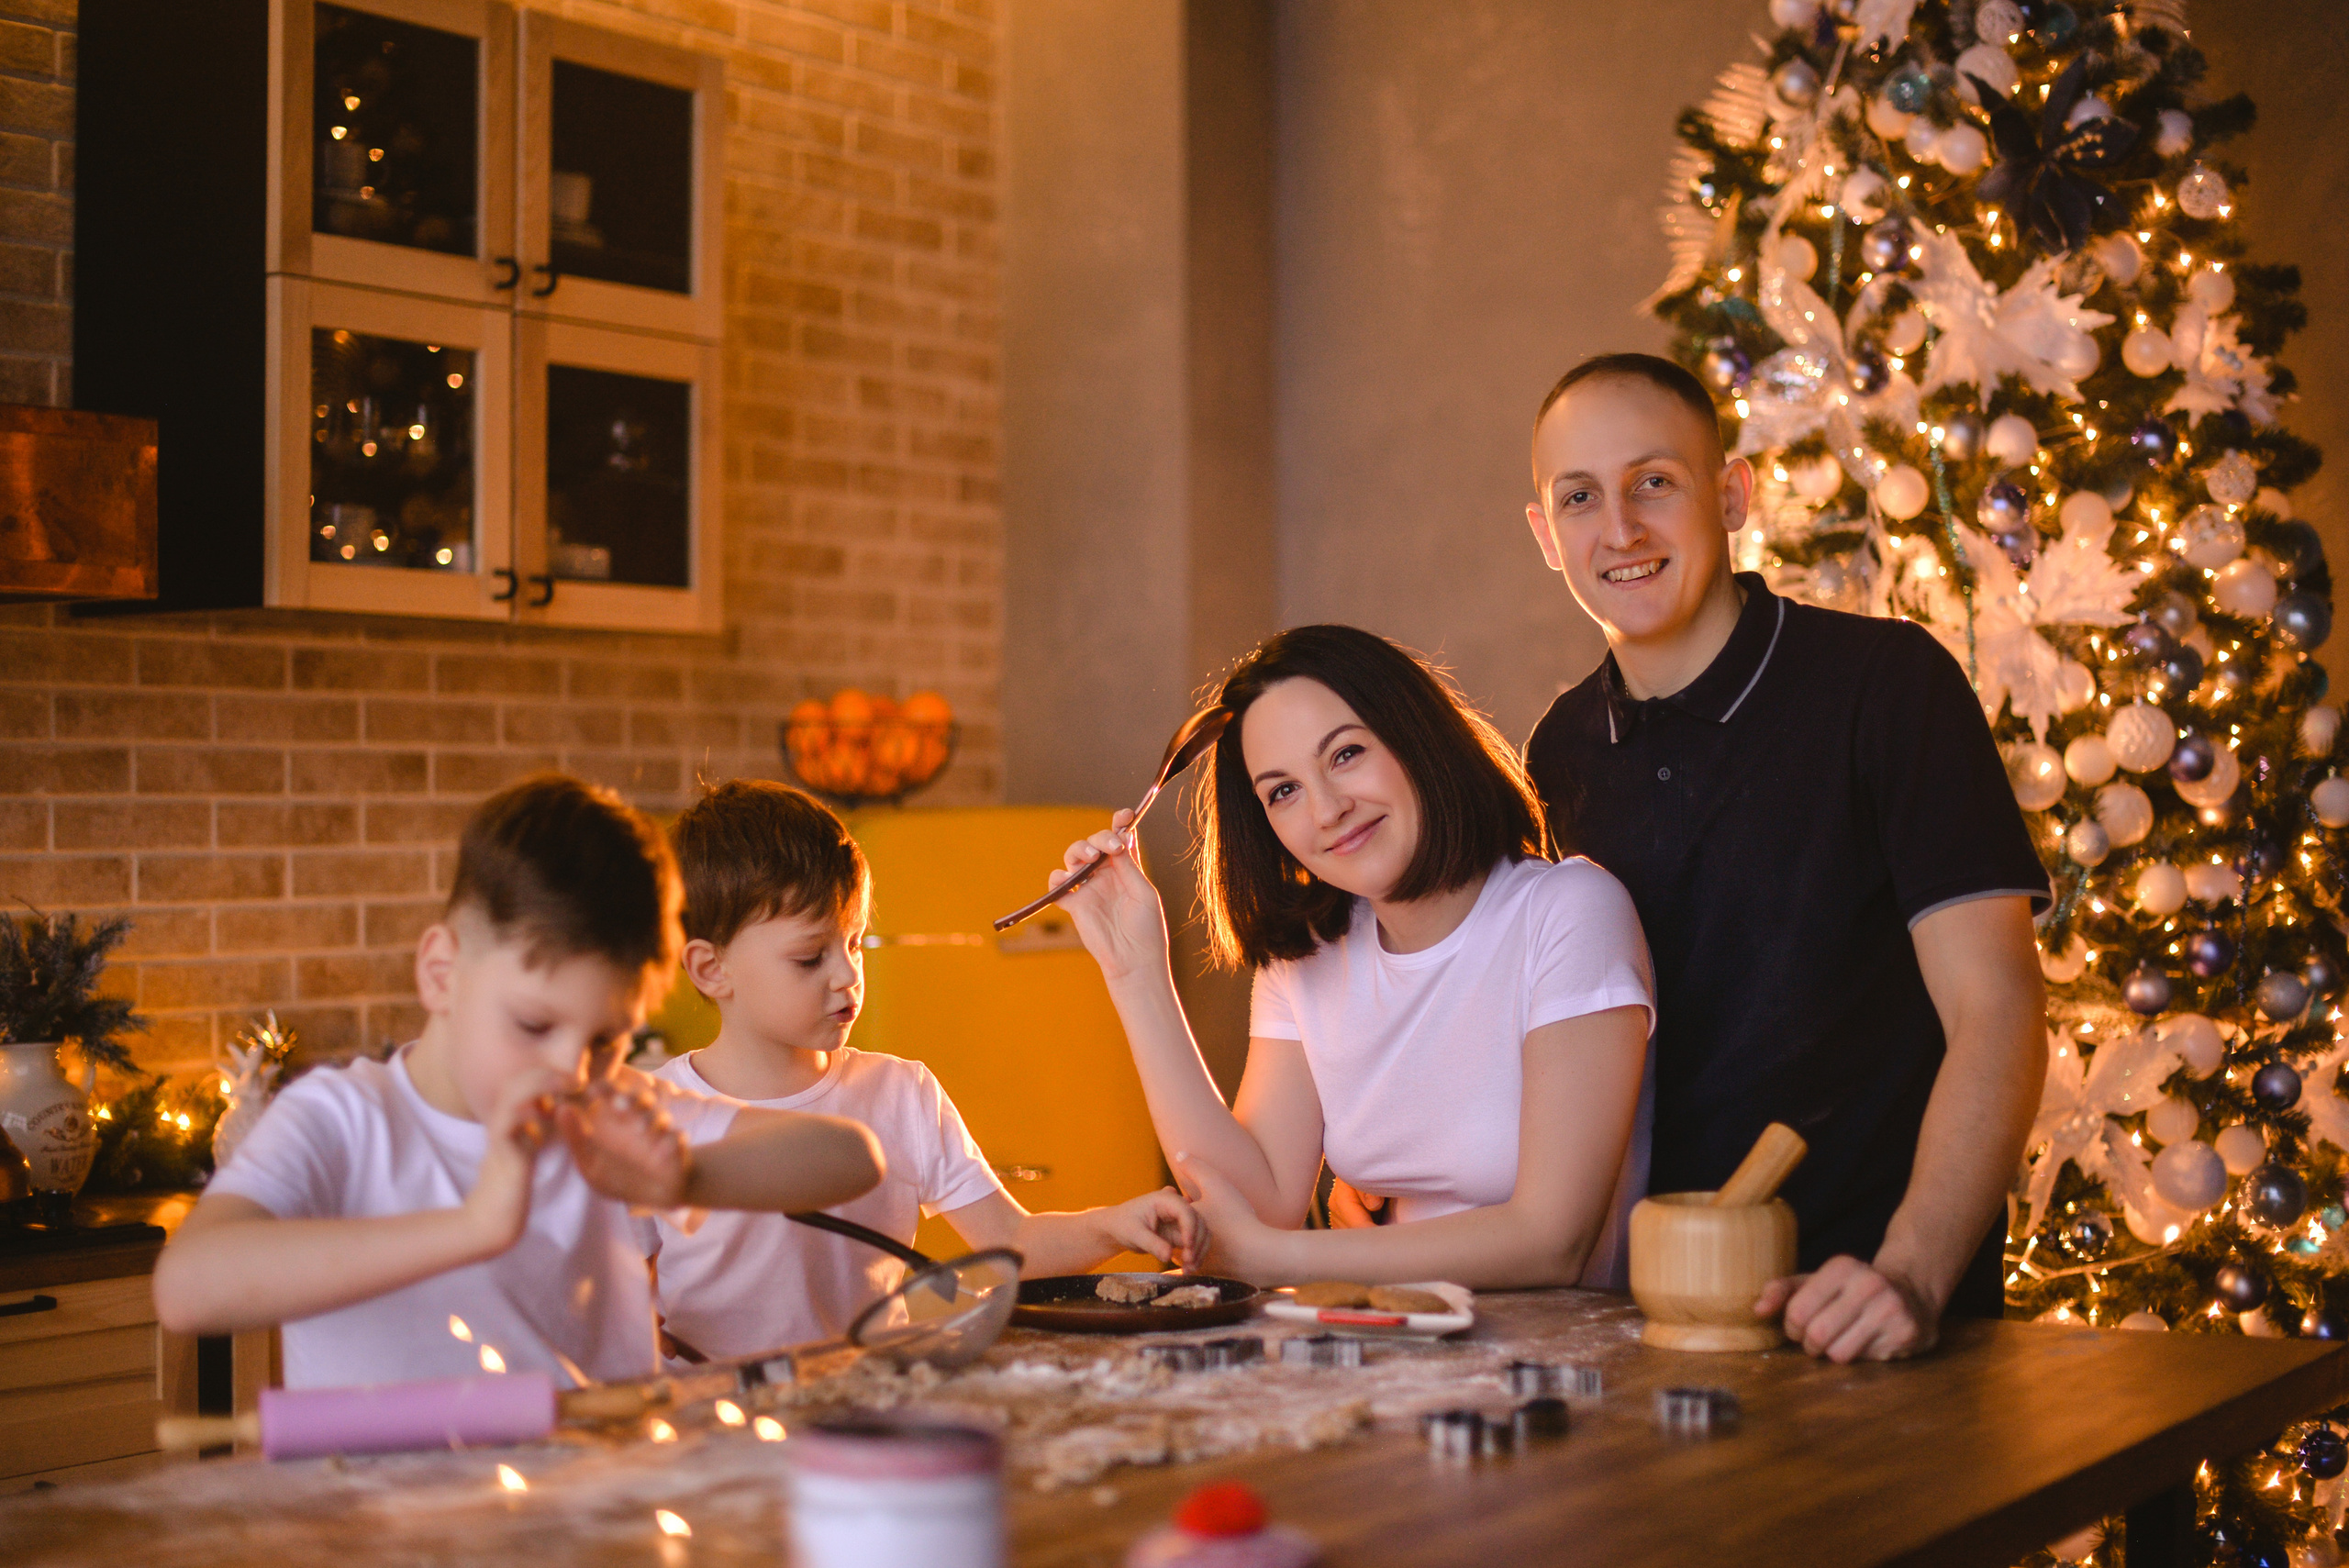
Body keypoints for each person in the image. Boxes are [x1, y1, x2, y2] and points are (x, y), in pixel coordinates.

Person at [1510, 350, 2048, 1362]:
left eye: (1653, 483)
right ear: (1545, 534)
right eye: (1579, 497)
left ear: (1732, 493)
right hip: (1638, 1328)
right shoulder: (1558, 751)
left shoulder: (1887, 688)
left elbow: (1999, 1005)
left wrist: (1911, 1270)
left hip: (1869, 1321)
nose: (1618, 528)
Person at [151, 774, 886, 1388]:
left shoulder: (607, 1110)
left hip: (596, 1516)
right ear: (442, 971)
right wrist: (475, 1225)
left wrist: (681, 1174)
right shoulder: (343, 1120)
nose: (569, 1069)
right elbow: (187, 1288)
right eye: (534, 1026)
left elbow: (851, 1157)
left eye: (605, 1038)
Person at [1051, 625, 1654, 1289]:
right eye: (1283, 791)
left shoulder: (1569, 912)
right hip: (1374, 1358)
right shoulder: (1305, 960)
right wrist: (1136, 972)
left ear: (1415, 734)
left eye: (1345, 754)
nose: (1328, 809)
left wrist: (1276, 1259)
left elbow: (1552, 1241)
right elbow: (1254, 1204)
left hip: (1555, 1375)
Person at [644, 780, 1205, 1361]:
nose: (847, 976)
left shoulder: (899, 1094)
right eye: (810, 957)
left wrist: (1114, 1224)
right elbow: (621, 1306)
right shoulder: (651, 1115)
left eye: (856, 943)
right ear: (711, 970)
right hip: (718, 1425)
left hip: (873, 1406)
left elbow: (1010, 1243)